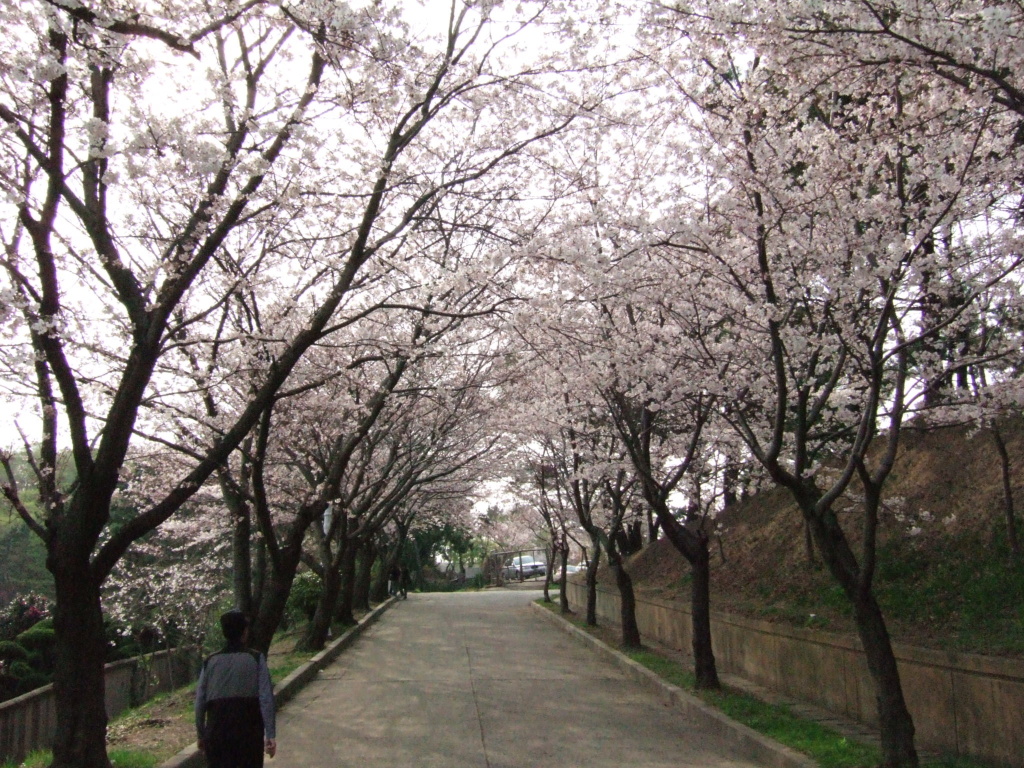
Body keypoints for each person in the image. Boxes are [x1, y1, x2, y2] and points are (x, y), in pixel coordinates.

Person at [195, 611, 277, 767]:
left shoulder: (210, 662)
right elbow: (266, 698)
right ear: (244, 632)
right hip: (249, 733)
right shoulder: (255, 658)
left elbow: (200, 702)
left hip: (216, 732)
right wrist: (270, 735)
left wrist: (201, 734)